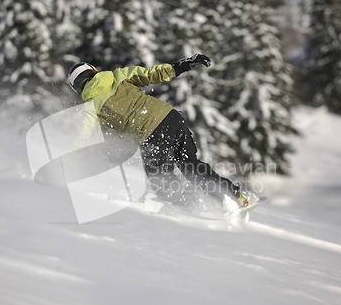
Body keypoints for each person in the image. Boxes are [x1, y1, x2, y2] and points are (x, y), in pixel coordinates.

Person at [67, 53, 248, 209]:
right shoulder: (118, 75)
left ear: (78, 88)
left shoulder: (91, 106)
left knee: (161, 181)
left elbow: (83, 136)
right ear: (93, 71)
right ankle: (233, 197)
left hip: (151, 134)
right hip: (171, 117)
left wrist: (72, 161)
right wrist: (183, 65)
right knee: (191, 165)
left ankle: (192, 209)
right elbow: (152, 74)